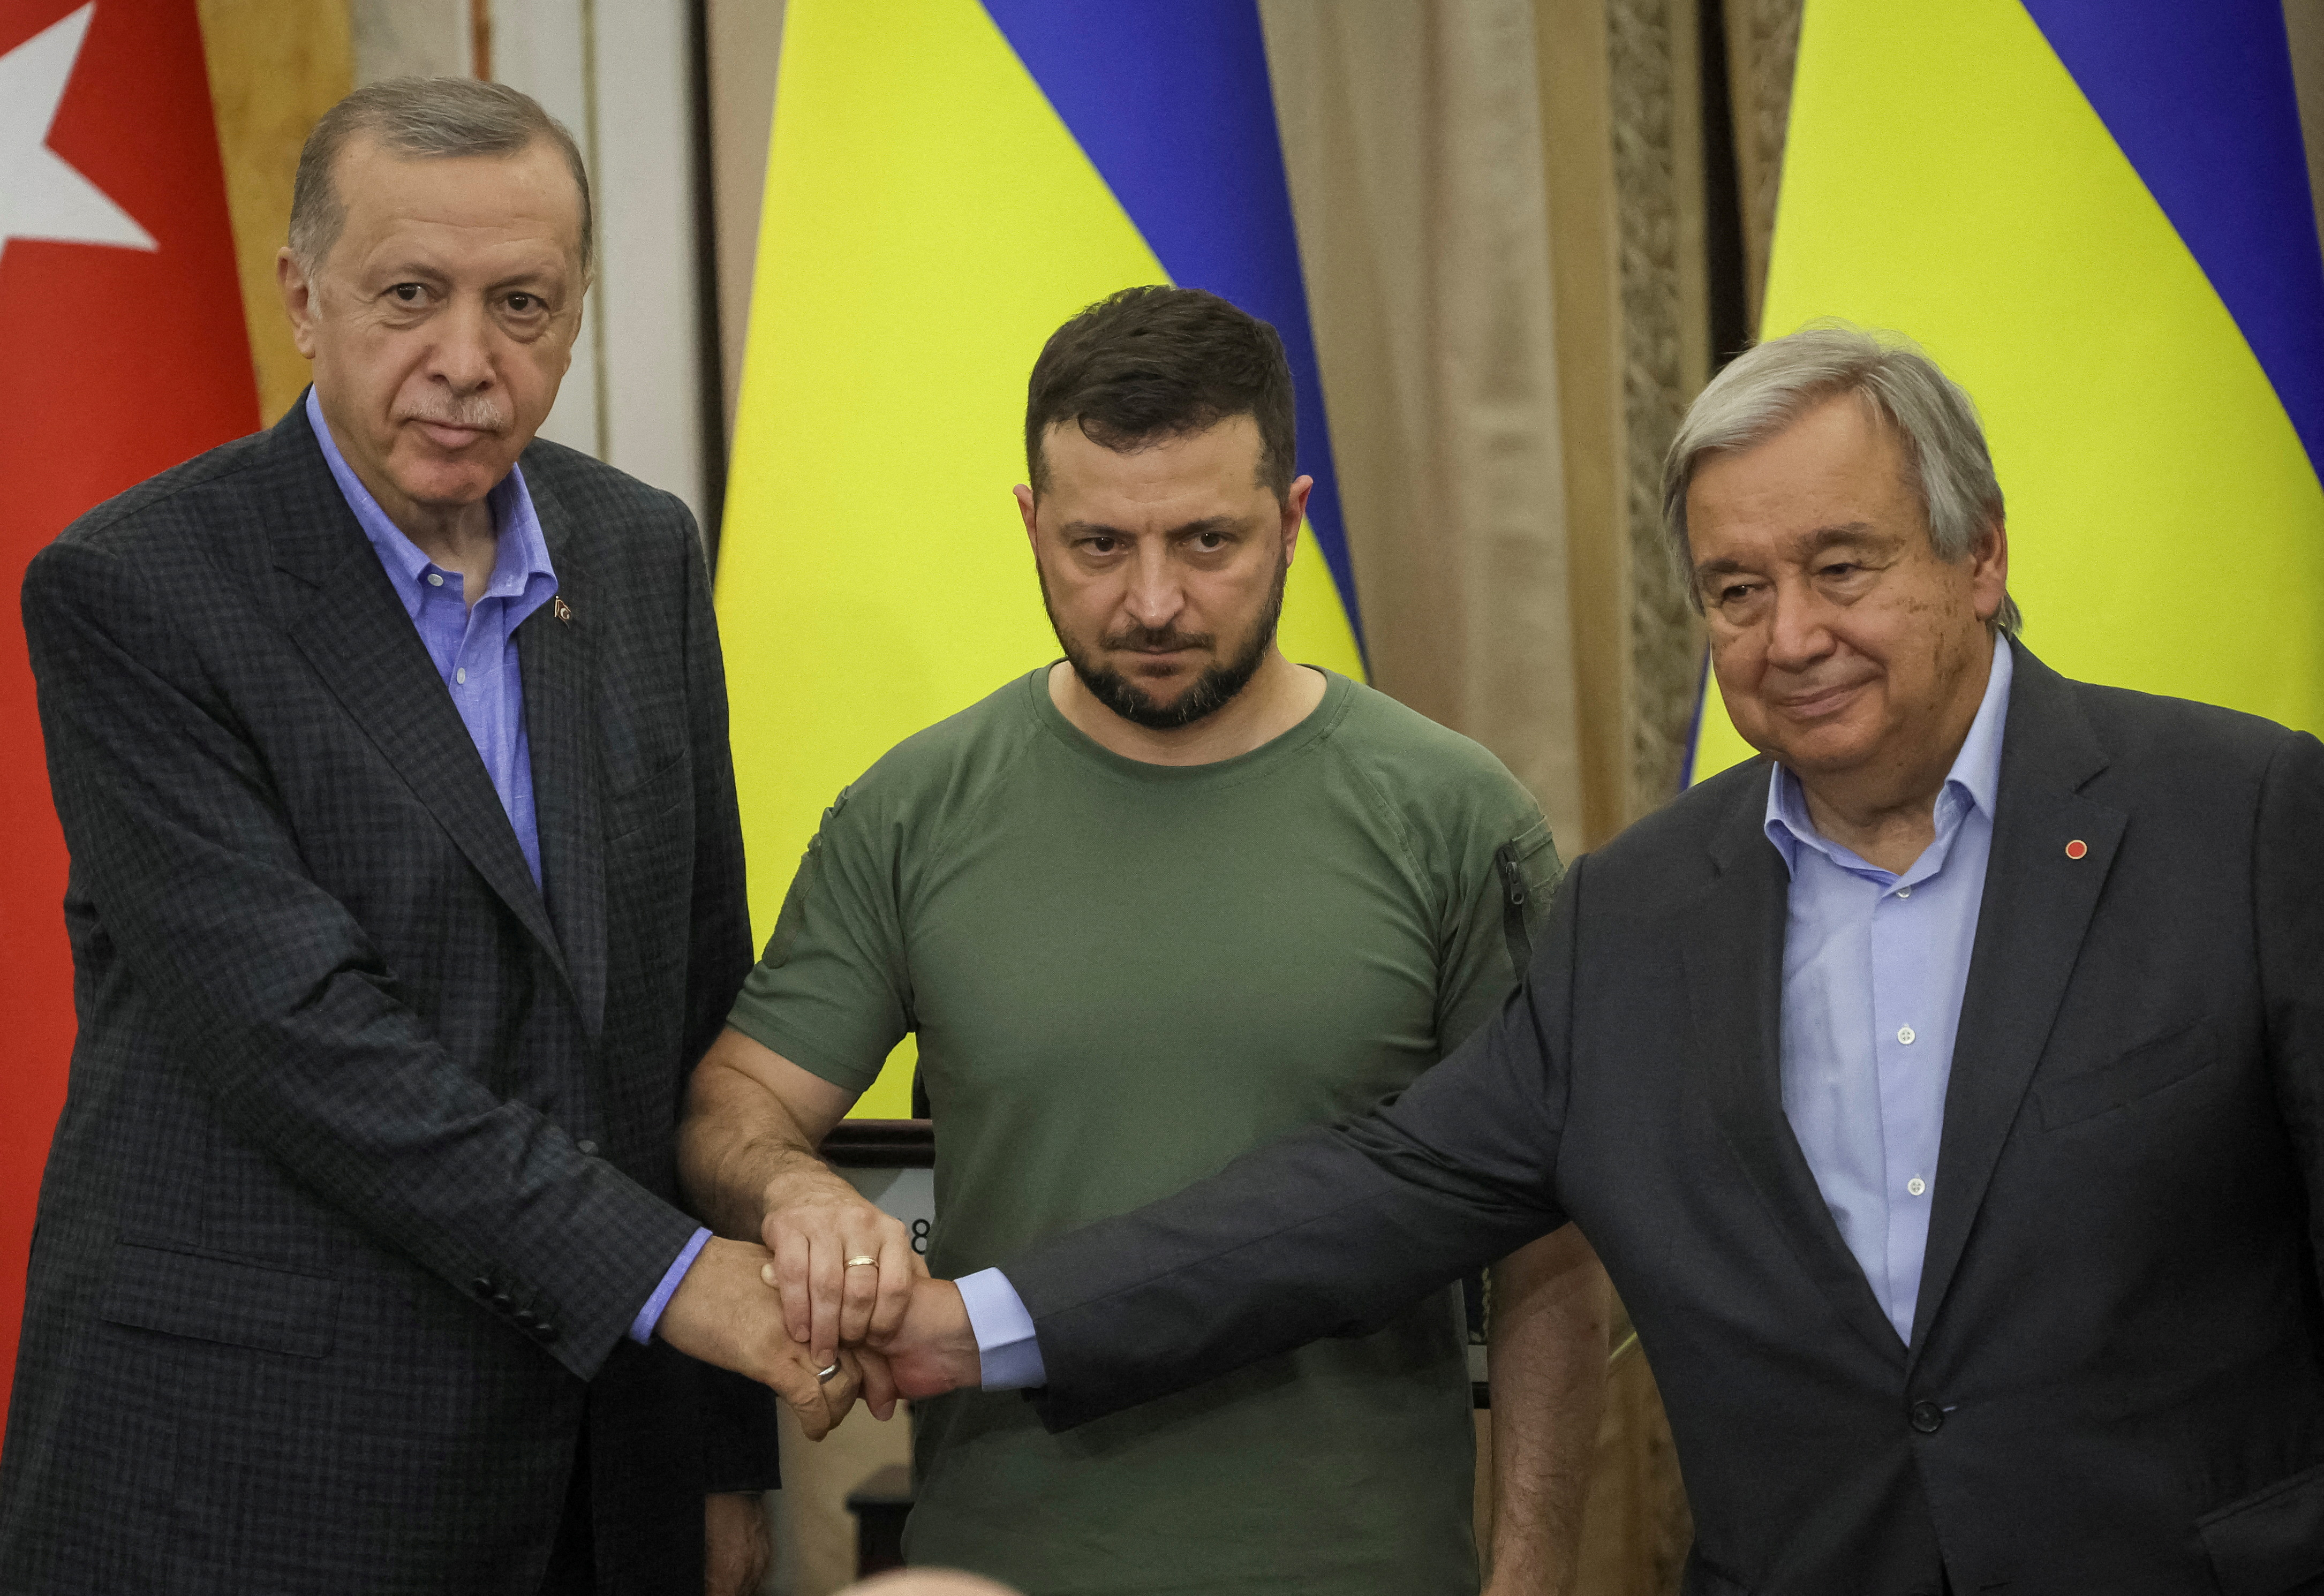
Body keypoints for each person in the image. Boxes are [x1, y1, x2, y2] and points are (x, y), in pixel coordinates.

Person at [871, 324, 2324, 1594]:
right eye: (1735, 590)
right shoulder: (1637, 915)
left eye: (1840, 566)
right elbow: (1357, 1198)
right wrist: (968, 1325)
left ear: (1981, 551)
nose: (1791, 635)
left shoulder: (2242, 820)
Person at [1, 78, 861, 1596]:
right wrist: (682, 1287)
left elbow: (687, 1001)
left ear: (578, 313)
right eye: (410, 294)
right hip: (255, 1468)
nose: (467, 361)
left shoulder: (639, 548)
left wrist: (715, 1453)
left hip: (599, 1481)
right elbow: (308, 1041)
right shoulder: (136, 590)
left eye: (521, 303)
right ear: (303, 298)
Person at [682, 286, 1610, 1596]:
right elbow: (734, 1104)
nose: (1153, 602)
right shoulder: (912, 810)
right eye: (1099, 546)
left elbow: (1550, 1250)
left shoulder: (1457, 821)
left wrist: (1528, 1582)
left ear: (1292, 523)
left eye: (1207, 543)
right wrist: (796, 1193)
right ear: (1028, 525)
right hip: (999, 1563)